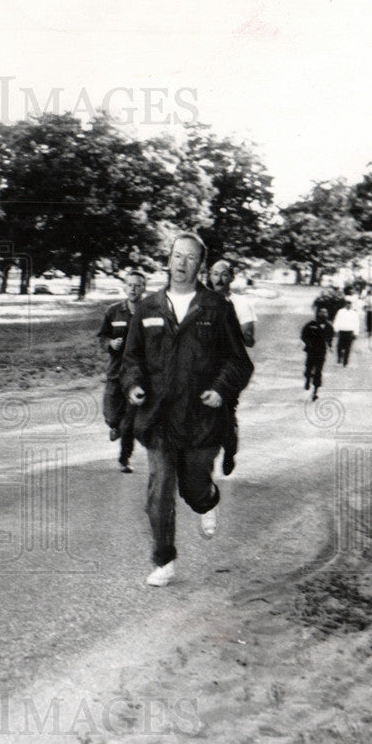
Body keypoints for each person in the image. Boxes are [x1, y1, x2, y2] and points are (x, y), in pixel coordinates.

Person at [121, 232, 253, 587]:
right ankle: (163, 559)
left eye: (191, 258)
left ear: (201, 265)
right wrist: (133, 385)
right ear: (168, 259)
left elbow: (240, 362)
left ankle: (207, 500)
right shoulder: (149, 307)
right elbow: (131, 358)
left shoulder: (216, 308)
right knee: (160, 487)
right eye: (177, 256)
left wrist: (220, 390)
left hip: (201, 417)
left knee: (194, 486)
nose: (182, 263)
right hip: (159, 416)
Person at [208, 259, 256, 476]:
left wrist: (231, 329)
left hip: (229, 366)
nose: (219, 279)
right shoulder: (200, 300)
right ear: (209, 275)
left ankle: (229, 450)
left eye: (224, 274)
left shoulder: (241, 303)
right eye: (215, 274)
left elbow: (249, 339)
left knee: (226, 414)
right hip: (203, 367)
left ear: (232, 277)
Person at [96, 271, 146, 472]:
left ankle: (125, 458)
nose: (133, 289)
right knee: (111, 413)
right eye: (130, 285)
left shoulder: (150, 311)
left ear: (143, 288)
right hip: (116, 371)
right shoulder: (114, 311)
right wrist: (110, 344)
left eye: (137, 285)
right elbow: (102, 337)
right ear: (124, 287)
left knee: (129, 421)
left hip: (138, 375)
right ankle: (114, 426)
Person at [301, 306, 334, 401]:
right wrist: (308, 343)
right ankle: (307, 379)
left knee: (318, 372)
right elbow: (303, 335)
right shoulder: (311, 325)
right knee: (308, 368)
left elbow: (330, 337)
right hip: (311, 351)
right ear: (318, 313)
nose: (324, 314)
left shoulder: (329, 326)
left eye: (325, 312)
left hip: (321, 352)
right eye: (322, 312)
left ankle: (315, 391)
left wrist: (330, 345)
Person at [333, 299, 359, 366]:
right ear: (345, 304)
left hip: (350, 332)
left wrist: (356, 333)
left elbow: (356, 323)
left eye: (350, 304)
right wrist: (336, 330)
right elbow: (337, 321)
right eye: (347, 304)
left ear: (351, 305)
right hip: (342, 331)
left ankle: (345, 362)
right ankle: (339, 358)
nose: (349, 305)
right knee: (339, 346)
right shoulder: (340, 312)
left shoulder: (354, 313)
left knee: (348, 347)